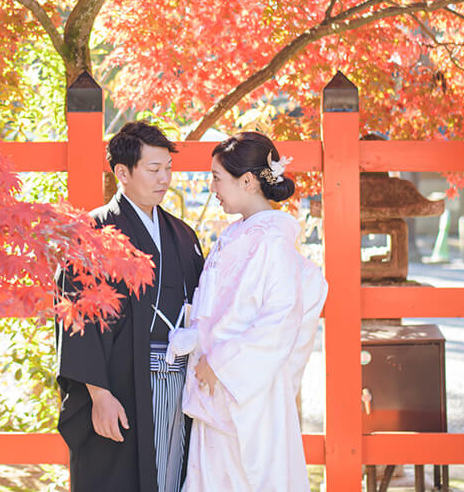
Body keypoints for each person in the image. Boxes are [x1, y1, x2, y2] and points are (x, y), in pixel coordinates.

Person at [166, 131, 328, 492]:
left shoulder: (272, 242)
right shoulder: (237, 236)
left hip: (244, 390)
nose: (212, 187)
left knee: (244, 477)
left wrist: (220, 363)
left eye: (217, 178)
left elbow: (280, 319)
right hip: (218, 385)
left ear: (248, 180)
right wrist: (197, 342)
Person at [57, 120, 205, 492]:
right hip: (119, 381)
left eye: (168, 168)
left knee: (172, 473)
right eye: (154, 169)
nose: (164, 179)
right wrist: (98, 394)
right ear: (122, 172)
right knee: (117, 475)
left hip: (178, 377)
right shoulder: (92, 232)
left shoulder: (182, 234)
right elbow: (77, 318)